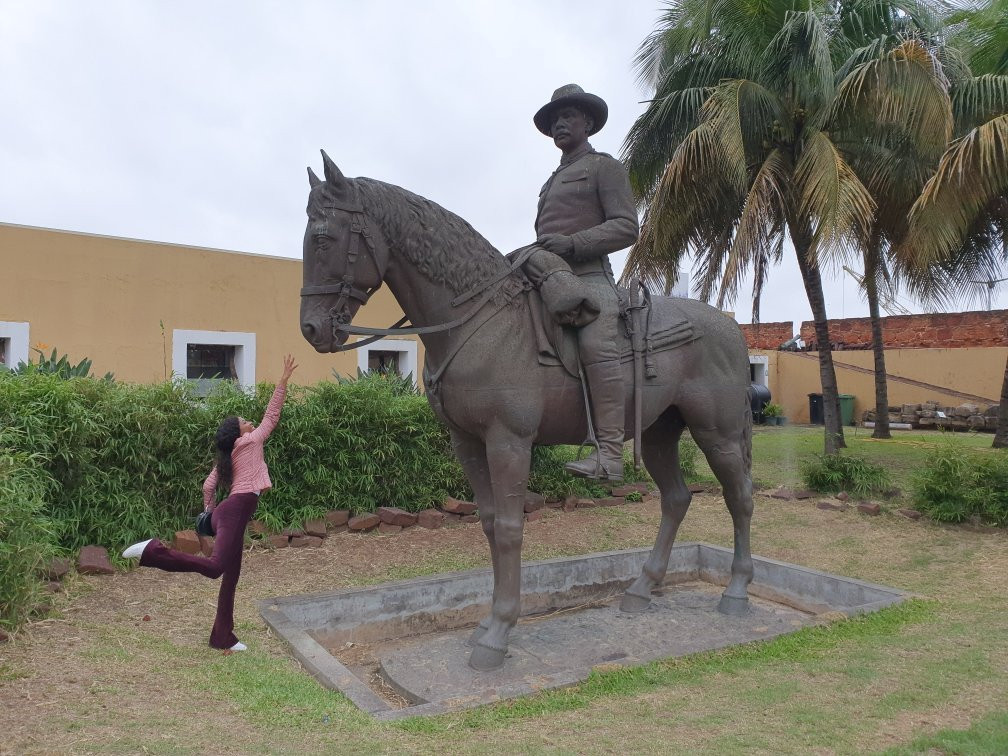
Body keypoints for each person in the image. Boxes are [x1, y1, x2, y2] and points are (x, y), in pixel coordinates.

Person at [122, 354, 298, 652]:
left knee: (232, 574)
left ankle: (222, 637)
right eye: (244, 422)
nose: (249, 422)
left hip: (229, 513)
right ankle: (153, 551)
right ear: (239, 432)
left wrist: (209, 512)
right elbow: (271, 417)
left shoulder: (227, 456)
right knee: (217, 568)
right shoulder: (250, 442)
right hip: (234, 511)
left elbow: (208, 485)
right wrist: (282, 381)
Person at [531, 83, 639, 481]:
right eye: (555, 119)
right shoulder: (551, 182)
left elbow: (627, 227)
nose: (560, 123)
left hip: (590, 278)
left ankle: (609, 453)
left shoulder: (603, 167)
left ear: (588, 123)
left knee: (595, 340)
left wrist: (573, 244)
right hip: (549, 276)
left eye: (569, 116)